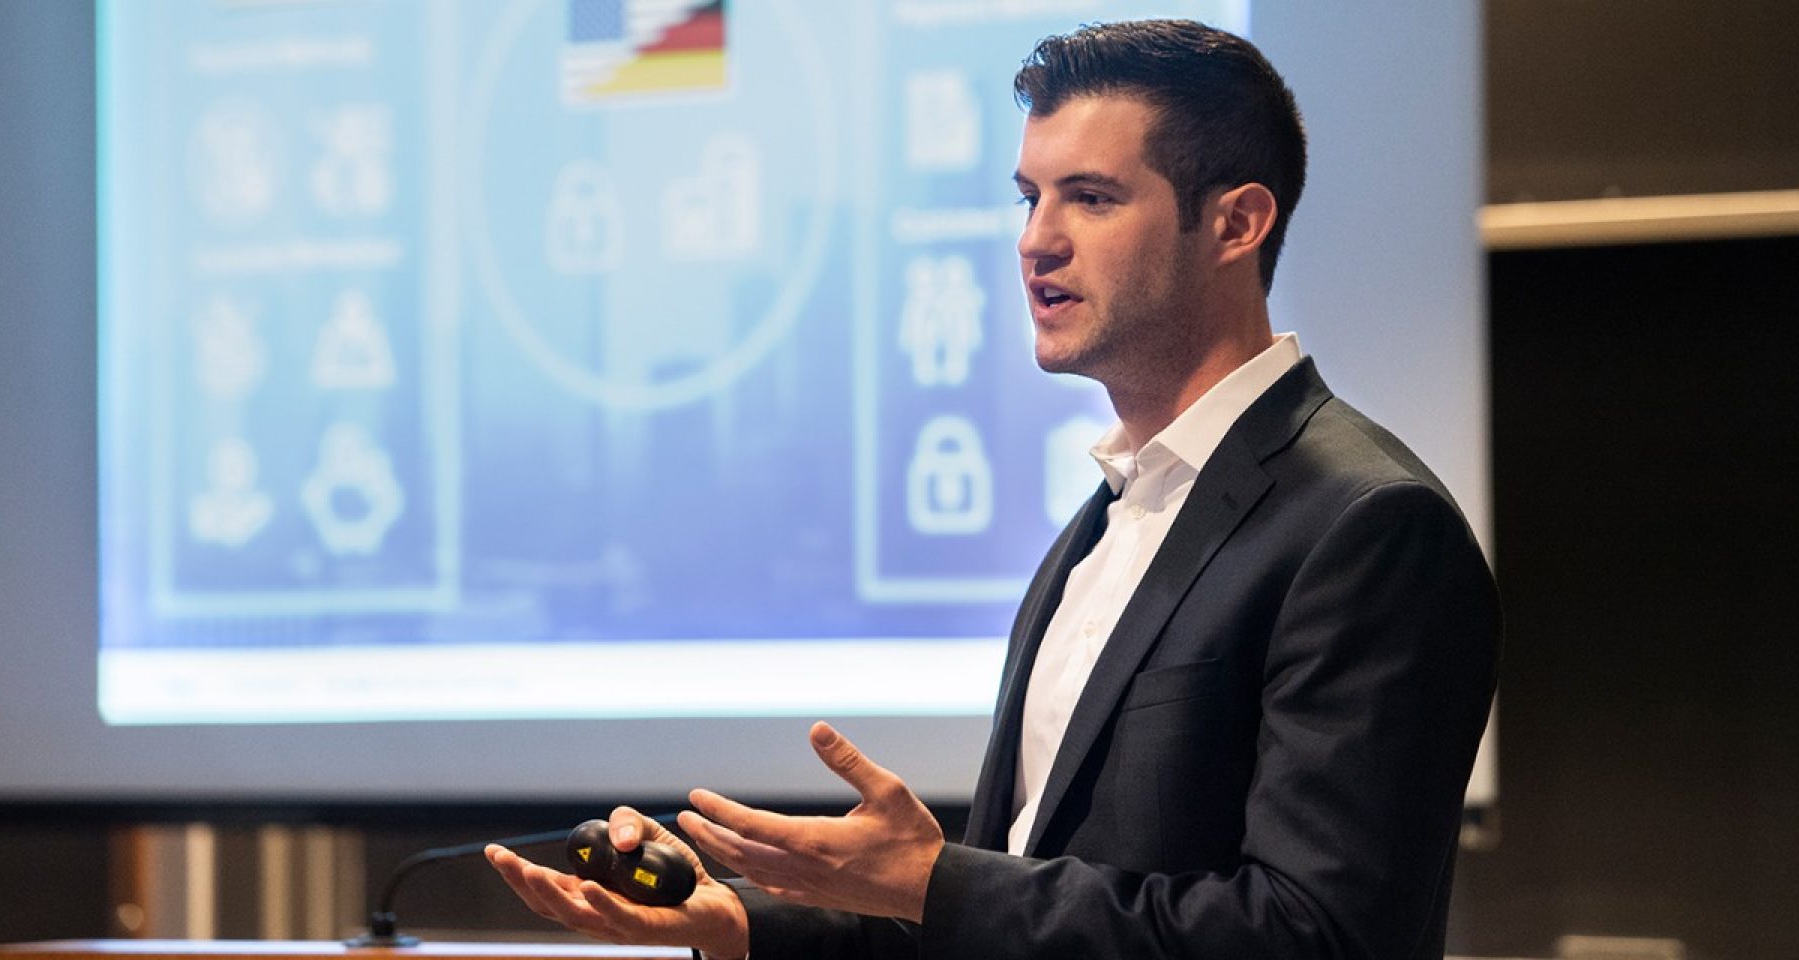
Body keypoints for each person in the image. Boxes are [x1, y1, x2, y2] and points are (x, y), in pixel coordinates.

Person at [488, 18, 1499, 960]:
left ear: (1235, 224)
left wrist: (938, 882)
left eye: (1091, 198)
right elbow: (1023, 916)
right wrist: (741, 926)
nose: (1036, 240)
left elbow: (1315, 936)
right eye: (1030, 196)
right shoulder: (1106, 524)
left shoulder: (1364, 528)